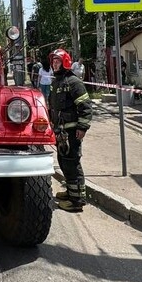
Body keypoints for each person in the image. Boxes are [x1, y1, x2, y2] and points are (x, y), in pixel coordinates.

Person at [48, 48, 92, 212]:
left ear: (65, 62)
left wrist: (82, 127)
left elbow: (85, 107)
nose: (55, 64)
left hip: (72, 131)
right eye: (53, 61)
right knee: (64, 162)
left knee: (72, 163)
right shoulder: (56, 82)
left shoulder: (74, 83)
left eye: (58, 61)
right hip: (61, 132)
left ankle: (77, 201)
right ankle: (70, 193)